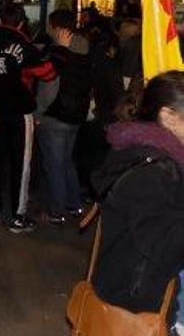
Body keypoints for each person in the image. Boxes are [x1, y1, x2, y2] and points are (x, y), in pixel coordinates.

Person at [90, 71, 184, 320]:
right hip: (136, 302)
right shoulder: (153, 171)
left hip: (139, 288)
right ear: (169, 117)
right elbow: (166, 246)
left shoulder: (159, 154)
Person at [0, 4, 57, 233]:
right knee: (21, 165)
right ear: (21, 23)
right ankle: (18, 218)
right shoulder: (25, 46)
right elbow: (48, 73)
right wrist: (61, 51)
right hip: (20, 113)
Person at [34, 10, 91, 225]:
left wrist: (38, 113)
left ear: (56, 28)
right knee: (66, 161)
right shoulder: (85, 48)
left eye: (50, 25)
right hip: (76, 115)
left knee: (54, 165)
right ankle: (75, 204)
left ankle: (56, 212)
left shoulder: (58, 52)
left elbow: (49, 88)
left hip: (54, 116)